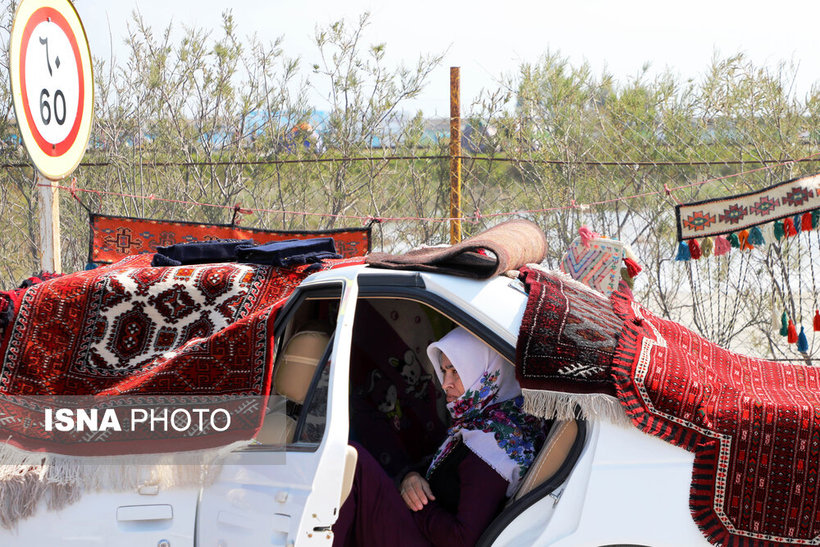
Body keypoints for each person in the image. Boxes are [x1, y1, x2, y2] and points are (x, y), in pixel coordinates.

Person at [333, 327, 545, 546]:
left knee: (351, 460)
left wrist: (417, 505)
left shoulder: (493, 446)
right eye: (444, 371)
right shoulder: (482, 423)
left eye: (456, 371)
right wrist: (410, 479)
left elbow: (461, 539)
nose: (445, 383)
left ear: (487, 373)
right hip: (423, 531)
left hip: (427, 538)